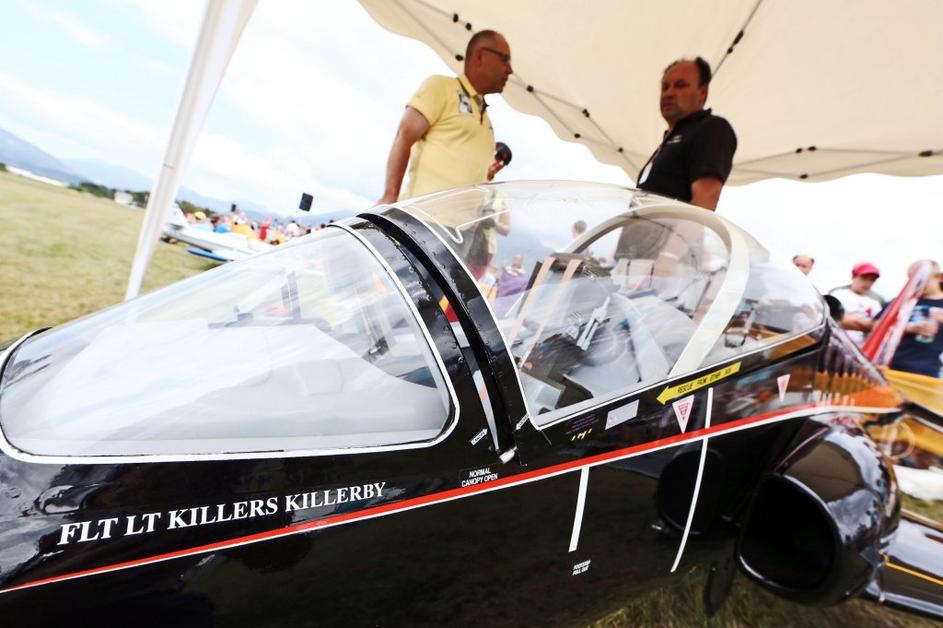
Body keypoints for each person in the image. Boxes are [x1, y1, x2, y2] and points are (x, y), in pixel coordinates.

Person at [377, 30, 513, 204]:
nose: (510, 70)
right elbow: (404, 136)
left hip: (462, 222)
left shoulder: (486, 119)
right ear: (480, 56)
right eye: (504, 59)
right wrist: (390, 195)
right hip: (421, 215)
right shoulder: (441, 87)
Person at [637, 57, 737, 210]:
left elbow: (705, 201)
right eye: (665, 87)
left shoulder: (711, 128)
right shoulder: (668, 141)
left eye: (680, 85)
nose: (669, 93)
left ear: (702, 92)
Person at [884, 260, 943, 377]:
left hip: (926, 373)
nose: (918, 285)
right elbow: (877, 326)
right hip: (888, 367)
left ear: (939, 278)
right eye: (913, 280)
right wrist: (910, 328)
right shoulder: (901, 301)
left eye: (922, 280)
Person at [829, 262, 883, 346]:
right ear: (853, 276)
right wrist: (868, 324)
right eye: (864, 278)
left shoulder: (875, 304)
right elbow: (832, 318)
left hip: (858, 350)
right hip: (833, 343)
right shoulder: (838, 294)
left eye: (872, 280)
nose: (867, 283)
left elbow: (878, 327)